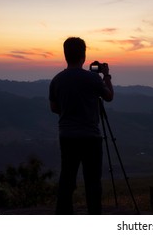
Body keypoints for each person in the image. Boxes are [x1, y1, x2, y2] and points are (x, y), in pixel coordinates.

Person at [49, 37, 114, 214]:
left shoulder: (57, 80)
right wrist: (106, 75)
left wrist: (70, 110)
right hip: (91, 138)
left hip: (67, 136)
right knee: (93, 181)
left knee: (67, 179)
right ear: (83, 55)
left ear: (65, 55)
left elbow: (54, 108)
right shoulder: (92, 79)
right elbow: (108, 97)